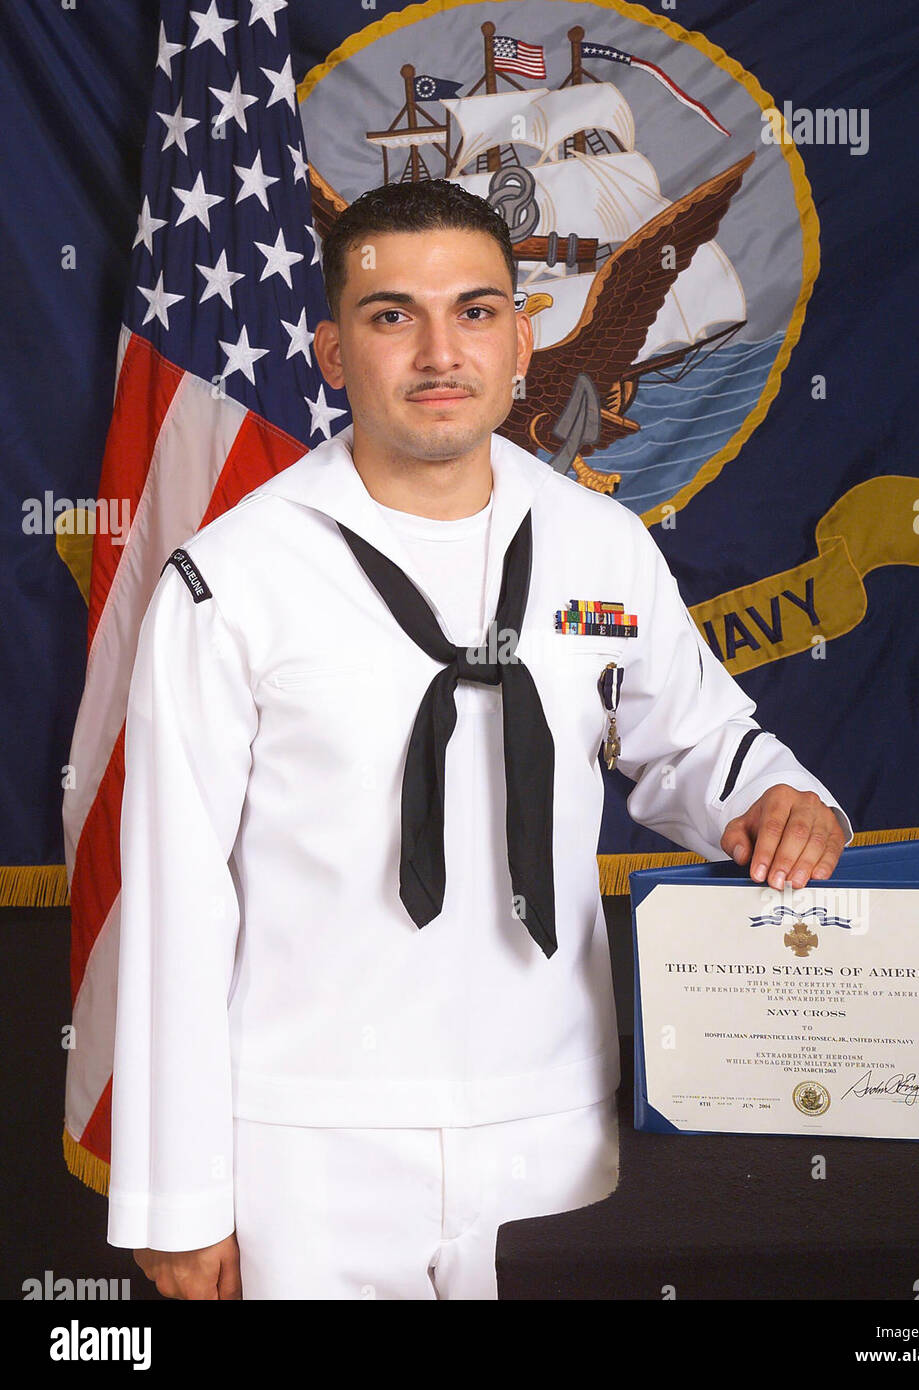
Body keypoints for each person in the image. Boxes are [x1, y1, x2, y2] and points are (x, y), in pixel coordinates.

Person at [110, 180, 854, 1300]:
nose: (439, 352)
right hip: (304, 1138)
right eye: (391, 315)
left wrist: (779, 800)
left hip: (554, 1117)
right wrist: (177, 1194)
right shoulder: (232, 580)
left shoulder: (600, 545)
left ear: (521, 339)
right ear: (331, 350)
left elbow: (695, 744)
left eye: (474, 310)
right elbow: (176, 896)